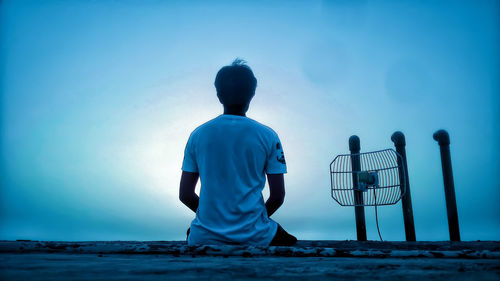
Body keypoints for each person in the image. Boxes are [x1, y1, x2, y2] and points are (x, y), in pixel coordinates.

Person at [179, 59, 297, 246]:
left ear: (218, 95)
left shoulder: (198, 135)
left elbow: (185, 194)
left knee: (193, 232)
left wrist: (214, 219)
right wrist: (249, 222)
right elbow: (277, 197)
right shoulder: (268, 135)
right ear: (252, 94)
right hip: (256, 236)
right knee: (291, 241)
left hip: (204, 235)